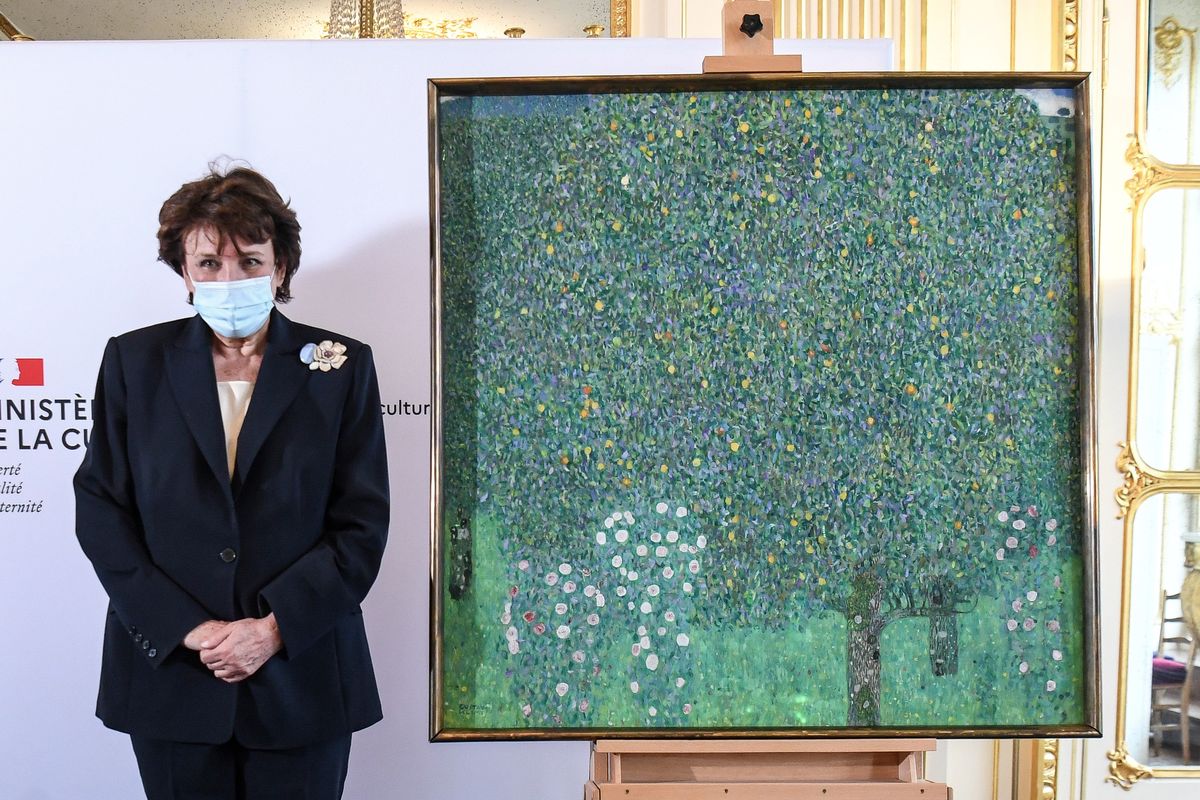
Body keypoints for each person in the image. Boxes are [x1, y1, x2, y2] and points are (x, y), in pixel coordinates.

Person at [74, 166, 389, 799]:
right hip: (174, 676)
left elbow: (360, 525)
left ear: (280, 268)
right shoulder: (134, 363)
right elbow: (102, 509)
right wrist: (190, 630)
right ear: (185, 276)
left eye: (249, 260)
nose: (230, 278)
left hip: (301, 675)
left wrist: (271, 630)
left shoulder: (342, 365)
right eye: (209, 263)